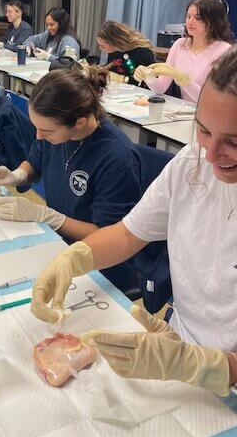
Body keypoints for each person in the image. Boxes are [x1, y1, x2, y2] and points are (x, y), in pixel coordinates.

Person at [30, 46, 237, 398]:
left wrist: (208, 365)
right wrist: (74, 259)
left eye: (233, 141)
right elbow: (127, 234)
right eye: (203, 130)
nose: (212, 154)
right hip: (179, 349)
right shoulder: (191, 164)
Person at [0, 64, 144, 291]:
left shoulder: (116, 157)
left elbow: (110, 235)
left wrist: (47, 216)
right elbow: (34, 163)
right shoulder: (53, 135)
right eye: (36, 128)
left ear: (79, 122)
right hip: (59, 244)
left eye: (46, 131)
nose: (39, 136)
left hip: (100, 264)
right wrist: (16, 175)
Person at [134, 0, 233, 102]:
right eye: (188, 16)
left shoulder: (224, 51)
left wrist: (184, 80)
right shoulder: (179, 45)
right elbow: (160, 88)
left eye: (198, 18)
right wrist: (148, 76)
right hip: (183, 112)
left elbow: (209, 101)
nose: (190, 22)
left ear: (213, 22)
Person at [97, 20, 155, 85]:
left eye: (102, 46)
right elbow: (113, 69)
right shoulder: (115, 51)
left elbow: (149, 82)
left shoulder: (143, 53)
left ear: (114, 42)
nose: (100, 48)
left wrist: (122, 79)